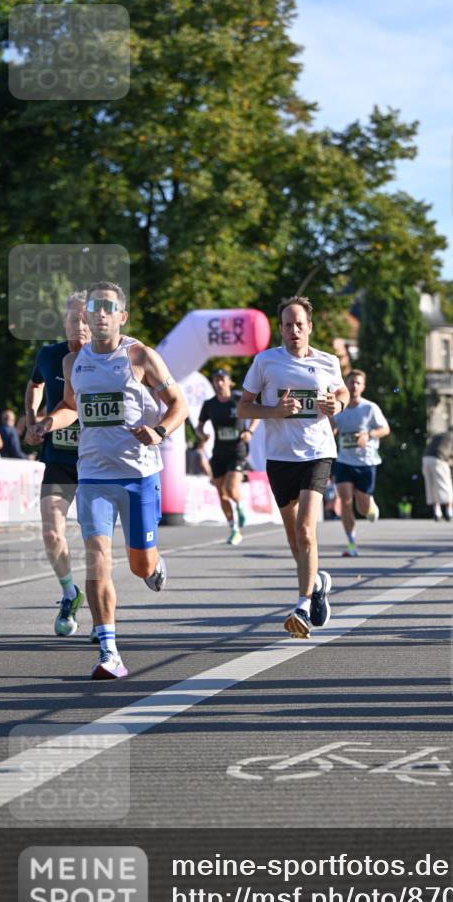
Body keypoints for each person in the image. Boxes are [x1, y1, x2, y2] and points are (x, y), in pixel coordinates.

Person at [33, 281, 187, 680]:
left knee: (140, 566)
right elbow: (71, 406)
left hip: (138, 475)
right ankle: (109, 651)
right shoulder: (73, 363)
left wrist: (159, 431)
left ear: (122, 316)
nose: (99, 314)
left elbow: (179, 405)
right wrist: (48, 423)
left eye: (108, 307)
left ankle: (153, 564)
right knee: (97, 557)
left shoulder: (140, 357)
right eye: (94, 307)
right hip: (94, 476)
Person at [237, 294, 349, 639]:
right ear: (281, 329)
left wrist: (337, 406)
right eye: (288, 325)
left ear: (309, 327)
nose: (294, 330)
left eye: (299, 324)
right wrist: (274, 412)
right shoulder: (265, 362)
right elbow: (243, 407)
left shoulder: (328, 361)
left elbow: (342, 393)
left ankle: (302, 605)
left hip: (317, 452)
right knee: (293, 536)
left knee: (305, 529)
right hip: (280, 457)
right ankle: (316, 583)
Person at [25, 292, 91, 636]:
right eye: (73, 319)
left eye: (85, 320)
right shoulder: (50, 355)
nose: (79, 326)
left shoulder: (108, 358)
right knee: (51, 531)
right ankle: (69, 593)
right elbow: (35, 384)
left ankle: (103, 615)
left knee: (97, 540)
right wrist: (31, 418)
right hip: (59, 459)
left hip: (97, 462)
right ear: (64, 322)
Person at [332, 369, 390, 556]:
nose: (354, 386)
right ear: (346, 384)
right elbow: (332, 428)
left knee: (363, 508)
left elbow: (385, 429)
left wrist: (368, 435)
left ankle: (369, 503)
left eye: (358, 383)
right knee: (345, 501)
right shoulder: (339, 407)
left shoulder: (370, 408)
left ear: (363, 387)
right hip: (344, 461)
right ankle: (351, 544)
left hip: (366, 462)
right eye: (351, 382)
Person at [197, 368, 258, 545]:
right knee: (222, 494)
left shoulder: (238, 399)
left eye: (222, 379)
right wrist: (202, 435)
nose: (219, 383)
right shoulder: (209, 404)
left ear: (230, 382)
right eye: (216, 380)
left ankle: (240, 505)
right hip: (218, 453)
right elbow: (199, 426)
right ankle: (234, 529)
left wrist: (249, 431)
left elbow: (256, 415)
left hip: (237, 451)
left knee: (231, 489)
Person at [422, 425, 453, 523]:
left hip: (426, 459)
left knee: (432, 486)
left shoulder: (439, 435)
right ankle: (449, 513)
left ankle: (437, 513)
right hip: (439, 459)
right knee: (446, 486)